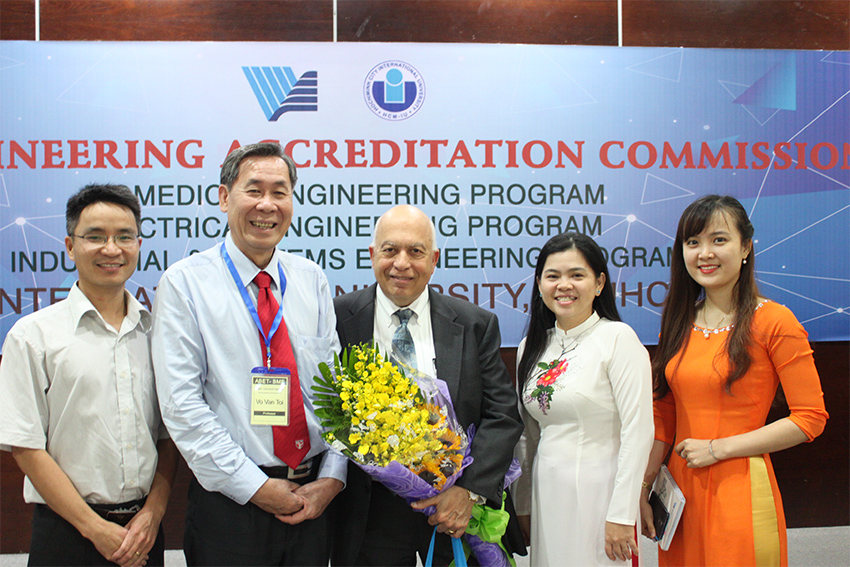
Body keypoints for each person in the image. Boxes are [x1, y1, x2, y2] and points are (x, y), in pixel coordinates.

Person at [151, 142, 345, 566]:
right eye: (254, 190)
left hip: (312, 500)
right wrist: (255, 487)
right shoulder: (185, 283)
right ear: (224, 198)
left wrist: (333, 478)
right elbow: (182, 405)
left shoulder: (310, 278)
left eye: (280, 192)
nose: (267, 205)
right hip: (232, 506)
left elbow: (335, 392)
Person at [639, 195, 829, 566]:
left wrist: (718, 448)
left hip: (740, 485)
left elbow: (810, 418)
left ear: (745, 247)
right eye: (693, 242)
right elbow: (663, 413)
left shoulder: (775, 321)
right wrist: (644, 486)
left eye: (719, 240)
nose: (704, 253)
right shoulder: (678, 322)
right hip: (680, 493)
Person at [330, 204, 525, 567]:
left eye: (416, 251)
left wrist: (469, 491)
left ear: (434, 260)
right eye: (390, 250)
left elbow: (502, 416)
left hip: (456, 511)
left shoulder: (475, 324)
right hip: (369, 515)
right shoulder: (337, 317)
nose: (401, 263)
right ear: (372, 255)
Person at [0, 183, 178, 567]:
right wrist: (94, 528)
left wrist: (153, 513)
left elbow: (168, 437)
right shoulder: (33, 335)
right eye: (95, 237)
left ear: (138, 245)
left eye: (124, 237)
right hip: (66, 534)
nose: (111, 249)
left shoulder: (157, 333)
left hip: (144, 533)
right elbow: (25, 446)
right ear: (70, 246)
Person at [512, 232, 653, 566]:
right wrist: (523, 505)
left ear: (599, 283)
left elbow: (638, 430)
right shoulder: (530, 347)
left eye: (577, 275)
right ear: (539, 284)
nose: (564, 285)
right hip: (548, 492)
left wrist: (621, 514)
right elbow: (526, 435)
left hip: (601, 494)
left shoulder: (617, 339)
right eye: (553, 276)